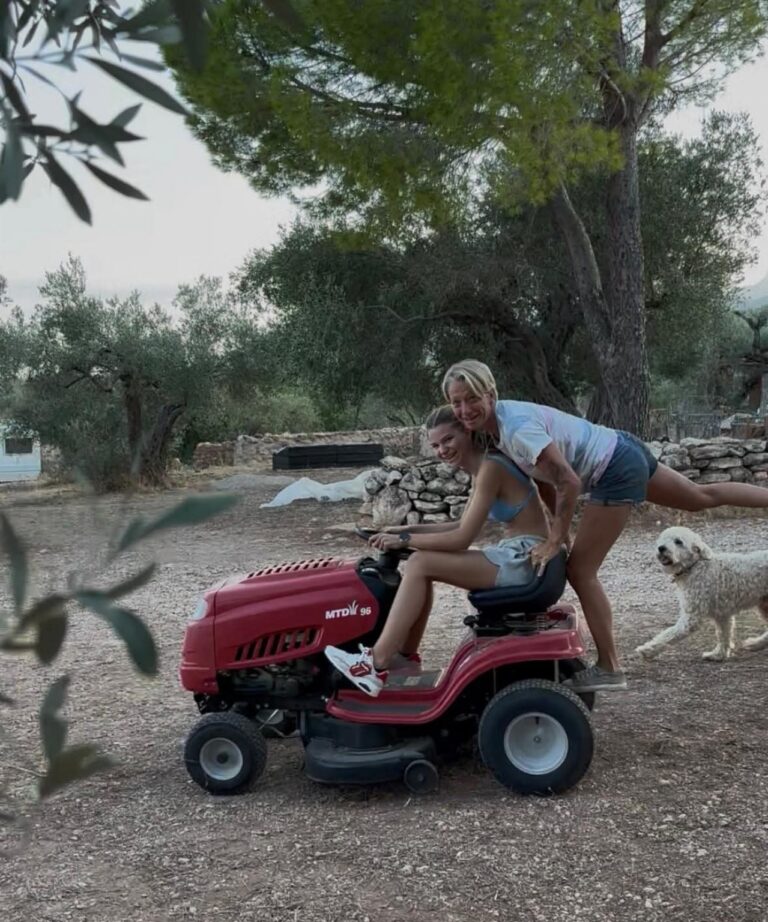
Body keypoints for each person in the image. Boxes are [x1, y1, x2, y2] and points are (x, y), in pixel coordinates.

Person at [441, 358, 768, 693]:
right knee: (700, 496)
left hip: (613, 467)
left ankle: (610, 667)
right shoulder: (501, 428)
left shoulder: (516, 429)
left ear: (490, 394)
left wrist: (555, 540)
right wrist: (560, 529)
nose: (465, 409)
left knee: (581, 572)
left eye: (472, 398)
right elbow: (545, 479)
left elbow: (567, 480)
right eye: (457, 402)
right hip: (620, 445)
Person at [324, 405, 552, 696]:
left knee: (419, 563)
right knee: (420, 565)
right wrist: (400, 531)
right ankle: (402, 659)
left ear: (467, 432)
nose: (441, 450)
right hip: (515, 552)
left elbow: (461, 539)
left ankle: (375, 661)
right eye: (435, 445)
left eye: (448, 440)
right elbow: (458, 524)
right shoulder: (483, 467)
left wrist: (406, 540)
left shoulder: (491, 468)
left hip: (523, 558)